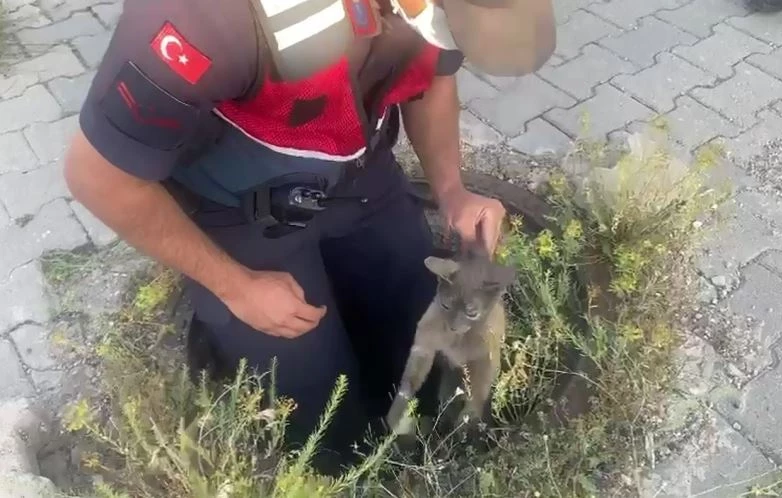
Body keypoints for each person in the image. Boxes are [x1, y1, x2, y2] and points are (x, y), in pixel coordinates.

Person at [64, 0, 555, 471]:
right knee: (320, 416)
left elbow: (432, 76)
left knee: (421, 344)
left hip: (360, 175)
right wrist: (234, 286)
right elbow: (98, 178)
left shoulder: (431, 10)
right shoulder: (207, 15)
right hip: (236, 213)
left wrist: (452, 190)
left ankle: (417, 451)